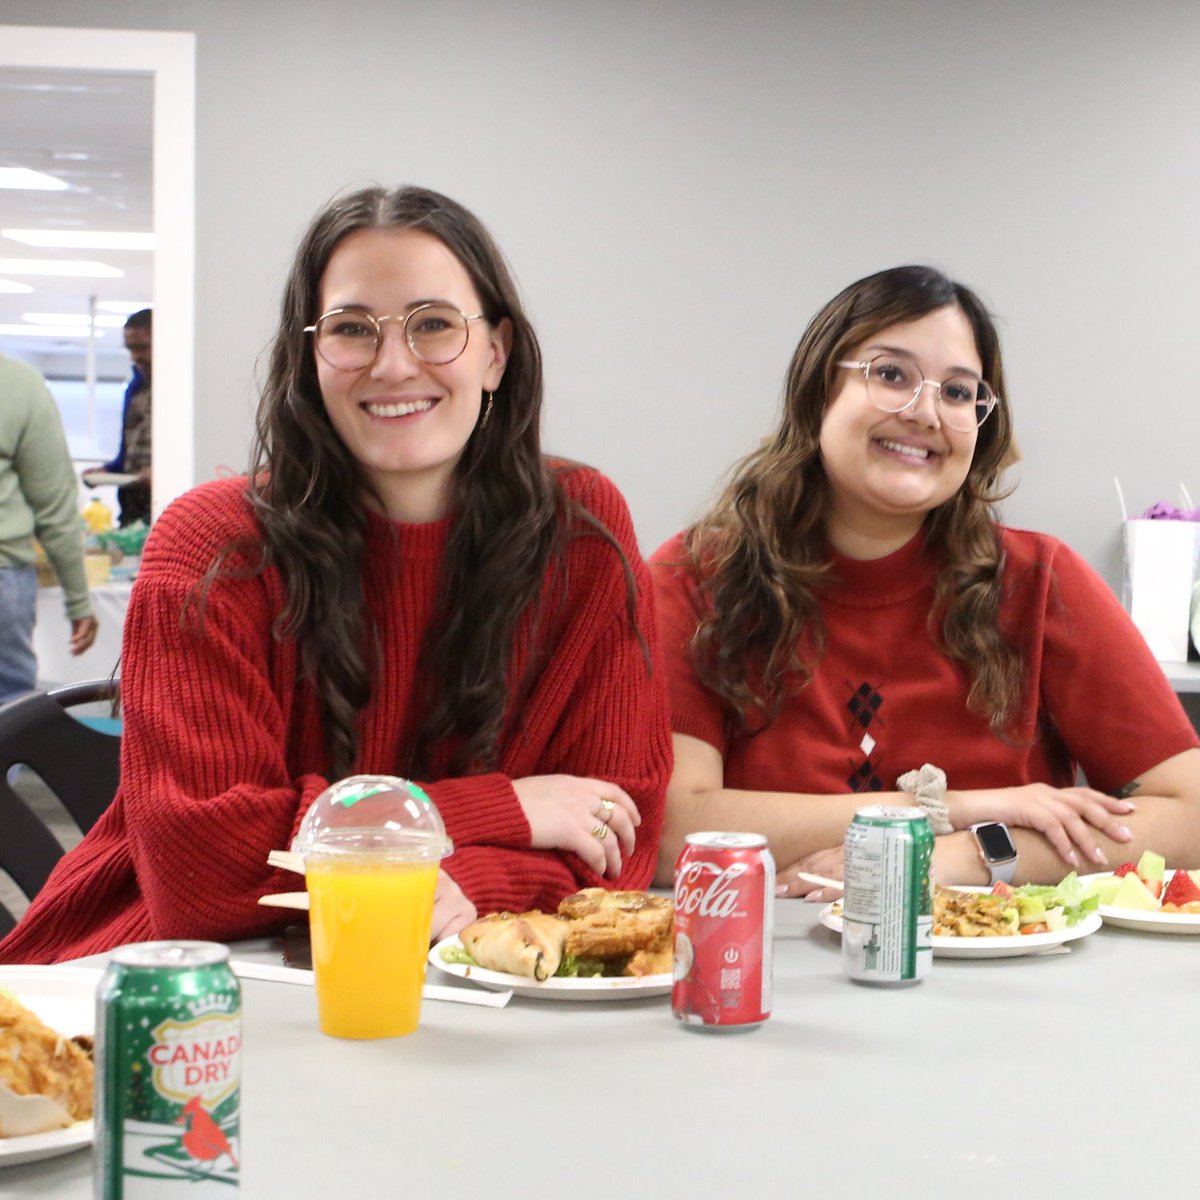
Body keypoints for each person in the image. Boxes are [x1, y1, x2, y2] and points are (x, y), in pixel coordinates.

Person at [0, 186, 670, 964]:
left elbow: (619, 846)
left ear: (496, 354)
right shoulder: (213, 544)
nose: (392, 365)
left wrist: (414, 883)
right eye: (353, 329)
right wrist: (502, 811)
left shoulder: (582, 535)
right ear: (311, 356)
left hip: (461, 992)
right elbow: (201, 876)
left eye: (434, 326)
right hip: (160, 993)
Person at [650, 265, 1200, 896]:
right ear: (818, 389)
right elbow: (670, 833)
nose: (926, 413)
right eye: (890, 375)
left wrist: (967, 856)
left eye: (960, 393)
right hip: (771, 965)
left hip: (1000, 972)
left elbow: (1190, 814)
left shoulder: (1039, 582)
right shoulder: (696, 580)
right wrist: (943, 812)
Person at [0, 354, 98, 704]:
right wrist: (78, 602)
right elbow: (53, 504)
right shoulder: (17, 383)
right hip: (3, 574)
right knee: (9, 715)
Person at [83, 308, 152, 526]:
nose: (135, 357)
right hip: (132, 510)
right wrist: (107, 471)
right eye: (130, 349)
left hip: (166, 507)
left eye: (142, 348)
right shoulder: (135, 388)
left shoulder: (179, 392)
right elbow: (127, 453)